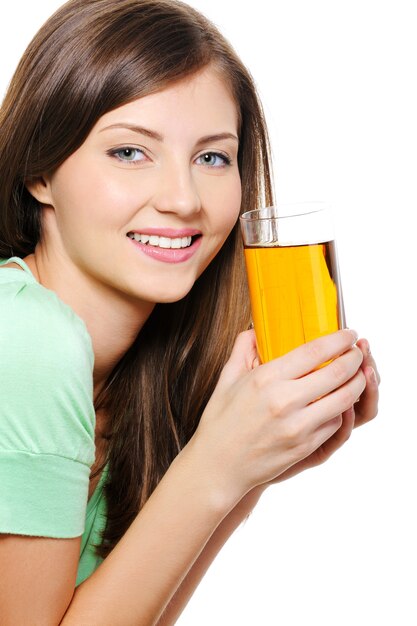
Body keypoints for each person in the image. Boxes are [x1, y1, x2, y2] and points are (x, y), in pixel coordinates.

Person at [0, 0, 380, 623]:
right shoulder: (27, 339)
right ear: (41, 172)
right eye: (129, 152)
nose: (183, 200)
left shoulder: (126, 381)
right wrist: (216, 465)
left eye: (212, 157)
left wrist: (249, 467)